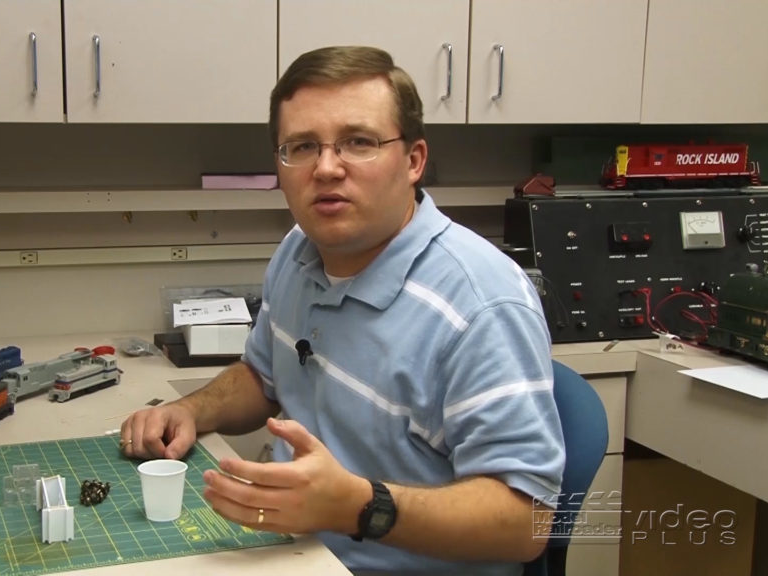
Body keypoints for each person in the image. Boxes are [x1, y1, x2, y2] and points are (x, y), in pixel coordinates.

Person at [120, 45, 565, 575]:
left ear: (414, 160)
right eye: (302, 146)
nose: (327, 168)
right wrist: (190, 411)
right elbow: (263, 377)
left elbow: (528, 523)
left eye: (359, 142)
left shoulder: (483, 303)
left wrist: (359, 506)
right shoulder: (298, 249)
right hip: (293, 548)